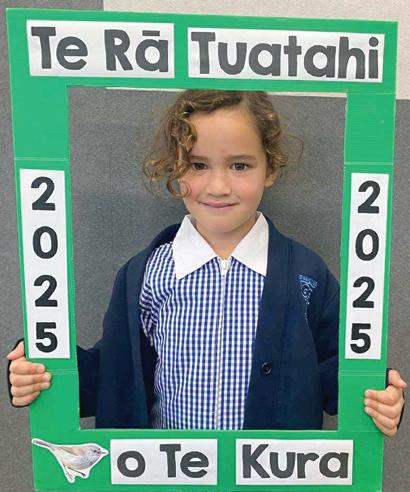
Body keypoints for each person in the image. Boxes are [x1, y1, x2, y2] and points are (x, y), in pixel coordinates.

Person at [7, 90, 406, 434]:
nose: (218, 186)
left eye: (240, 165)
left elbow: (341, 368)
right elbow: (117, 374)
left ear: (270, 167)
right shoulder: (144, 275)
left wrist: (378, 397)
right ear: (174, 167)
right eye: (198, 165)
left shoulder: (307, 276)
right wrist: (46, 368)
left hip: (268, 482)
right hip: (169, 477)